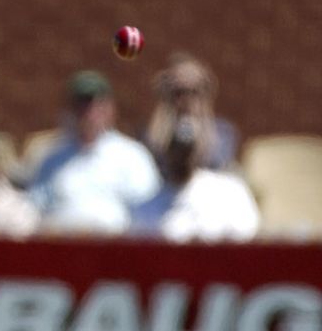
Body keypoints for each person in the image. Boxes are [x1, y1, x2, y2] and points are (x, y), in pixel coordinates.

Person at [28, 70, 160, 235]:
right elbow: (36, 209)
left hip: (114, 249)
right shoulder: (52, 159)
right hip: (63, 248)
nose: (89, 112)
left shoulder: (131, 156)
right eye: (81, 104)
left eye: (96, 104)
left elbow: (148, 211)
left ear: (110, 108)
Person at [131, 116, 260, 242]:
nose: (182, 157)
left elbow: (247, 238)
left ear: (199, 150)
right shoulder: (147, 208)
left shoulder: (230, 192)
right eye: (175, 149)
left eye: (187, 150)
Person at [144, 51, 238, 171]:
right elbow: (152, 157)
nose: (186, 98)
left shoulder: (224, 131)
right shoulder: (152, 132)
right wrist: (163, 106)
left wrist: (204, 110)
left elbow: (216, 162)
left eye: (194, 91)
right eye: (179, 92)